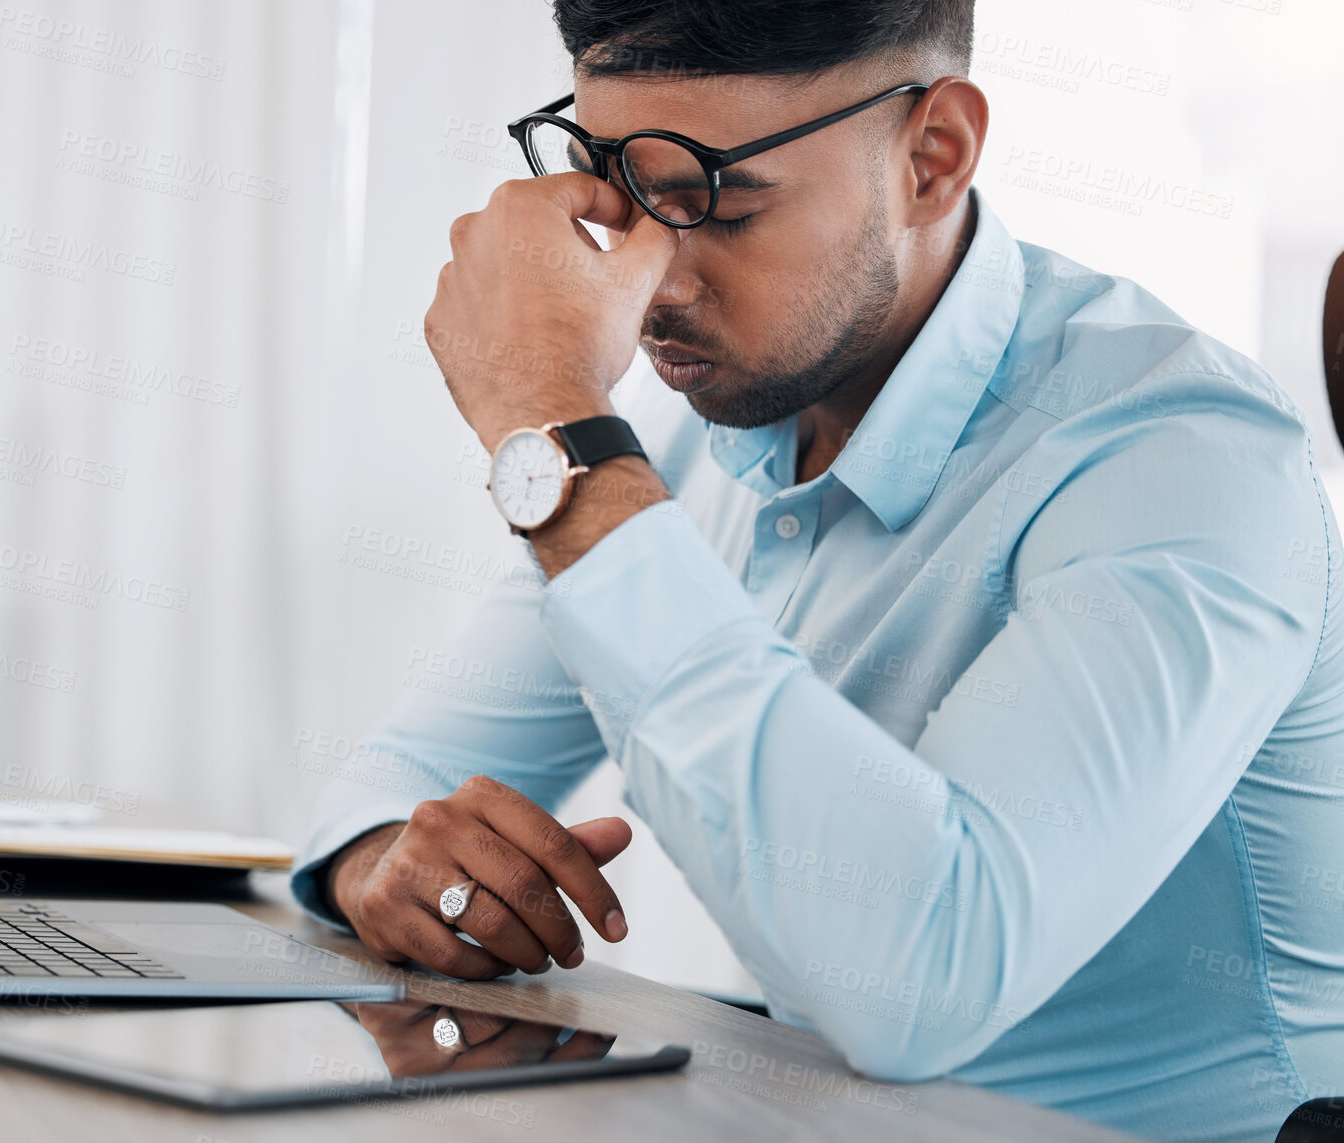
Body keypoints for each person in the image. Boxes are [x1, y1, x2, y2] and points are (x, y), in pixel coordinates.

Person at [293, 2, 1344, 1138]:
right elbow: (395, 782)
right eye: (618, 197)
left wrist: (551, 423)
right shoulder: (712, 427)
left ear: (931, 157)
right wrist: (385, 872)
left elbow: (919, 983)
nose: (651, 284)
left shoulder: (1185, 456)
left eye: (716, 205)